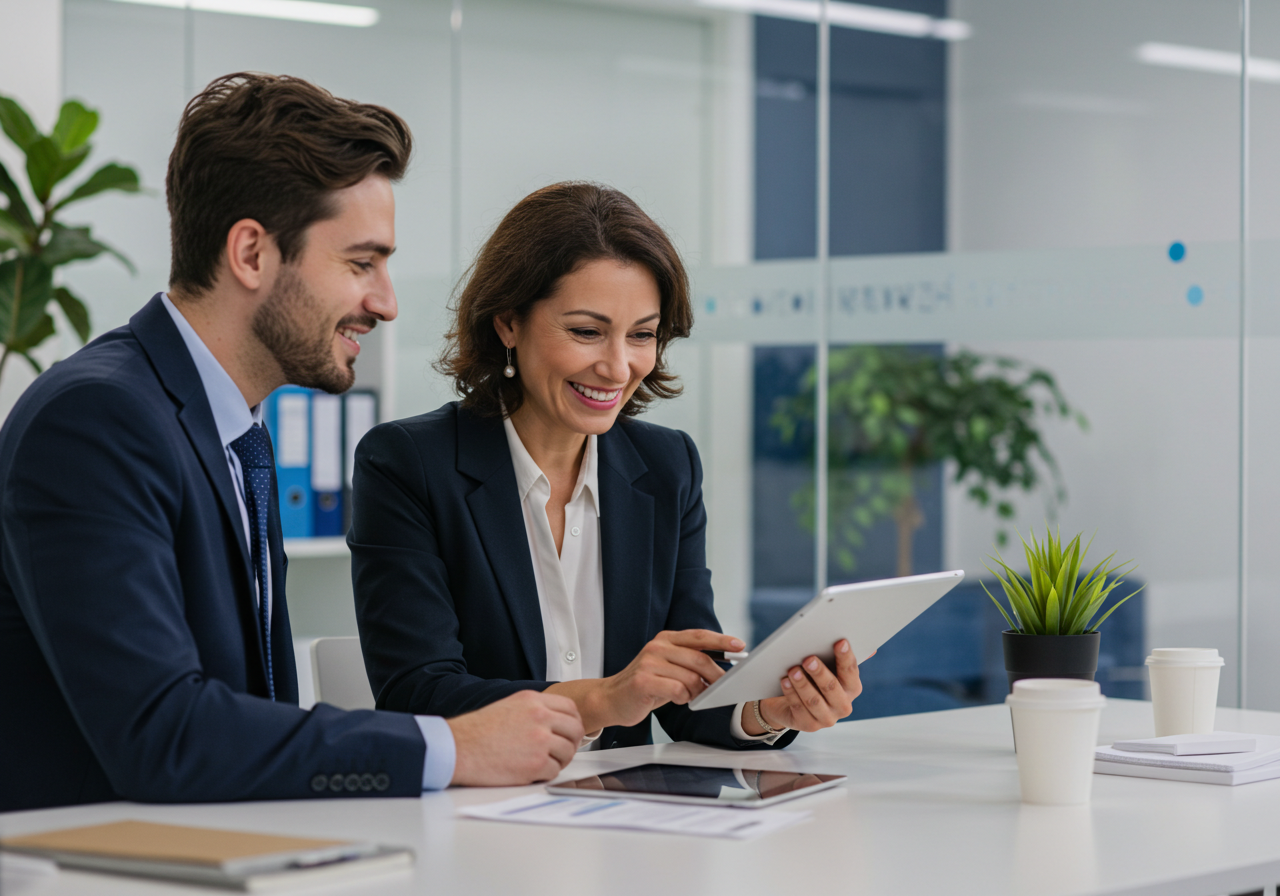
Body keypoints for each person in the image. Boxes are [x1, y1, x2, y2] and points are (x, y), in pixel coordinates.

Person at [0, 74, 584, 813]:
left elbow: (246, 714)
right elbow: (163, 734)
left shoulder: (235, 429)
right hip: (95, 859)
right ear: (251, 253)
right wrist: (452, 747)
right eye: (361, 263)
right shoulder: (96, 421)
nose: (386, 302)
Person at [349, 182, 864, 752]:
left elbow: (690, 699)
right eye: (587, 332)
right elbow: (417, 694)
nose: (618, 368)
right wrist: (604, 698)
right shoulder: (407, 464)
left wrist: (770, 710)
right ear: (508, 323)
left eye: (642, 335)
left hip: (623, 799)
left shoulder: (667, 467)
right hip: (488, 797)